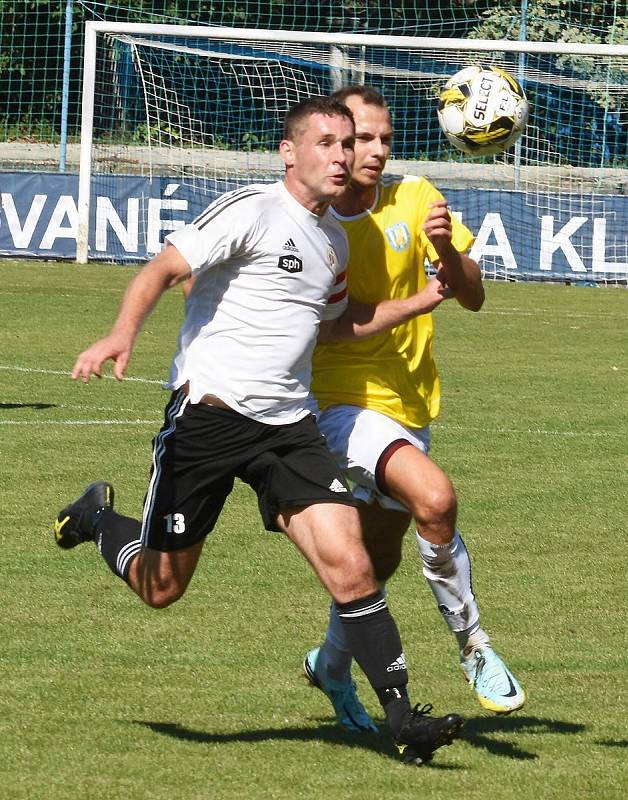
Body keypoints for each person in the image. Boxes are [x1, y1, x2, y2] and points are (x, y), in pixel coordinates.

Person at [53, 97, 463, 765]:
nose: (341, 156)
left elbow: (334, 325)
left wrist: (422, 298)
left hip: (288, 429)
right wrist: (121, 334)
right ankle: (100, 520)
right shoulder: (250, 209)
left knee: (351, 562)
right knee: (161, 589)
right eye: (326, 143)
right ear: (289, 151)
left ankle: (401, 719)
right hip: (208, 421)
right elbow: (163, 270)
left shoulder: (331, 239)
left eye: (347, 144)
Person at [302, 87, 525, 733]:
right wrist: (419, 302)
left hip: (409, 404)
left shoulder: (417, 196)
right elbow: (330, 327)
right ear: (333, 142)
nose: (372, 151)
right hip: (334, 405)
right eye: (357, 139)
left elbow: (473, 296)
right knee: (434, 499)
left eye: (383, 139)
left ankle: (332, 665)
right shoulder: (312, 224)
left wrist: (447, 253)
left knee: (376, 562)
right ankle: (475, 648)